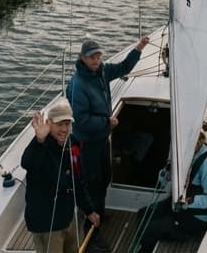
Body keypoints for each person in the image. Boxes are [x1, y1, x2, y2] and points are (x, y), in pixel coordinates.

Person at [67, 35, 150, 233]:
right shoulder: (78, 85)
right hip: (87, 142)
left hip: (102, 138)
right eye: (91, 57)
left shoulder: (102, 71)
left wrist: (138, 48)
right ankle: (90, 220)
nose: (96, 60)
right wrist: (107, 121)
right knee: (92, 181)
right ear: (82, 58)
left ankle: (100, 213)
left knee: (105, 177)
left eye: (98, 56)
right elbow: (81, 120)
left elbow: (123, 68)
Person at [21, 100, 100, 253]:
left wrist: (89, 210)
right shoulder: (40, 147)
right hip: (47, 225)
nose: (64, 129)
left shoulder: (70, 145)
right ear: (48, 123)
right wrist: (39, 140)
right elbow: (27, 162)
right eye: (60, 124)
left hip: (68, 219)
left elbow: (76, 181)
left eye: (67, 124)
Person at [137, 134, 207, 253]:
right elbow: (165, 178)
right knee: (142, 214)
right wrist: (165, 174)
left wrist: (187, 203)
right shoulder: (184, 156)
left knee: (150, 231)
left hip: (194, 216)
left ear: (196, 144)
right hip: (177, 204)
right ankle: (144, 242)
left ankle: (146, 248)